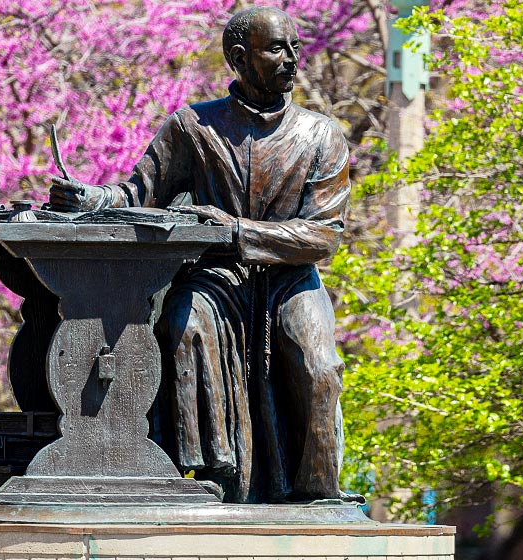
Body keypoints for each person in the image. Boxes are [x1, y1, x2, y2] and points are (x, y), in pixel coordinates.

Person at [48, 6, 360, 504]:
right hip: (217, 282)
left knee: (318, 363)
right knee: (181, 322)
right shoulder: (193, 126)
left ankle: (317, 495)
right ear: (239, 58)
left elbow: (323, 237)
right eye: (276, 48)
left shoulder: (320, 135)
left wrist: (237, 230)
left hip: (290, 281)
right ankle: (209, 473)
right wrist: (90, 199)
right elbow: (138, 194)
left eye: (294, 48)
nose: (291, 59)